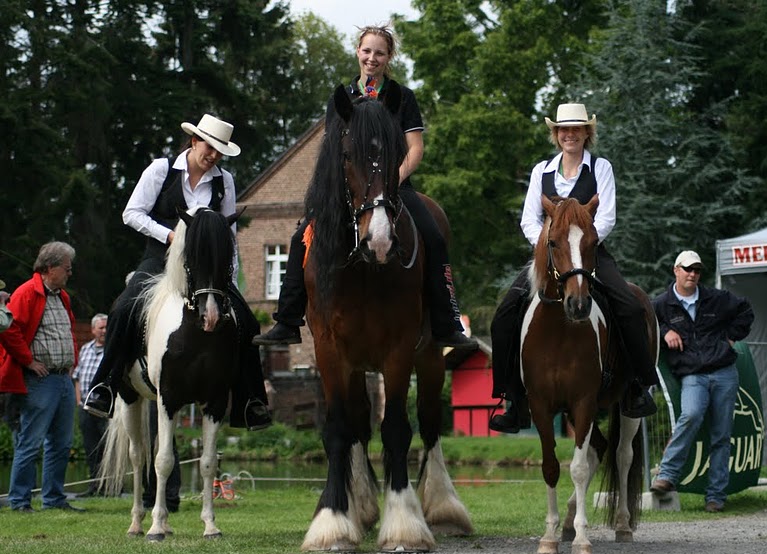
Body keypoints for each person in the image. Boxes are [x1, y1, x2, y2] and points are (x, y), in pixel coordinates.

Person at [252, 24, 476, 350]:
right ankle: (287, 321)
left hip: (394, 185)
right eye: (367, 51)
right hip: (350, 190)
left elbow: (415, 148)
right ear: (358, 52)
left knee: (434, 237)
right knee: (301, 236)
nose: (372, 58)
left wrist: (392, 181)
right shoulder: (341, 98)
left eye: (380, 53)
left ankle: (447, 323)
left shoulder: (402, 97)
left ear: (389, 57)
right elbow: (332, 152)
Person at [82, 114, 272, 431]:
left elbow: (228, 235)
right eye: (209, 147)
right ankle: (105, 386)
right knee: (123, 308)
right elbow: (131, 213)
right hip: (160, 260)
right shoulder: (161, 169)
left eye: (220, 151)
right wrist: (170, 236)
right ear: (194, 141)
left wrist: (230, 278)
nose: (214, 155)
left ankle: (251, 401)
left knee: (248, 322)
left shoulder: (224, 181)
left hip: (207, 269)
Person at [489, 103, 658, 434]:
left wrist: (582, 244)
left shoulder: (601, 168)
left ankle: (637, 386)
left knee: (629, 306)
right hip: (551, 255)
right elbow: (528, 220)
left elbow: (606, 216)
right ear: (556, 134)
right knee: (504, 316)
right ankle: (513, 400)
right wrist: (550, 246)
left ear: (586, 133)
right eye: (563, 129)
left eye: (576, 129)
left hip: (590, 252)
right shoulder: (541, 171)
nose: (570, 134)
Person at [650, 250, 754, 513]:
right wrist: (664, 331)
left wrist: (730, 338)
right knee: (691, 415)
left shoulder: (716, 298)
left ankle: (716, 497)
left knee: (722, 435)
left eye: (697, 270)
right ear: (676, 270)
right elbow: (645, 323)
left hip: (724, 372)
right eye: (688, 269)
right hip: (692, 375)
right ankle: (667, 475)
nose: (693, 274)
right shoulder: (661, 304)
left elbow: (745, 309)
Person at [0, 241, 84, 512]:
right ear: (49, 268)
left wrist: (72, 361)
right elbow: (8, 329)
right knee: (31, 441)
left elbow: (69, 329)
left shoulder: (62, 296)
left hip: (62, 378)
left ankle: (54, 499)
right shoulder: (26, 293)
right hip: (39, 379)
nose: (70, 273)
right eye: (66, 268)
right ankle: (20, 501)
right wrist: (29, 361)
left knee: (62, 443)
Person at [72, 313, 108, 497]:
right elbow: (77, 376)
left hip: (105, 408)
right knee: (90, 447)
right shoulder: (85, 349)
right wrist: (79, 401)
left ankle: (110, 486)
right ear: (93, 330)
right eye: (101, 327)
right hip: (85, 407)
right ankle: (94, 485)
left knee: (107, 447)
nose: (104, 331)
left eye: (107, 327)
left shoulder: (112, 351)